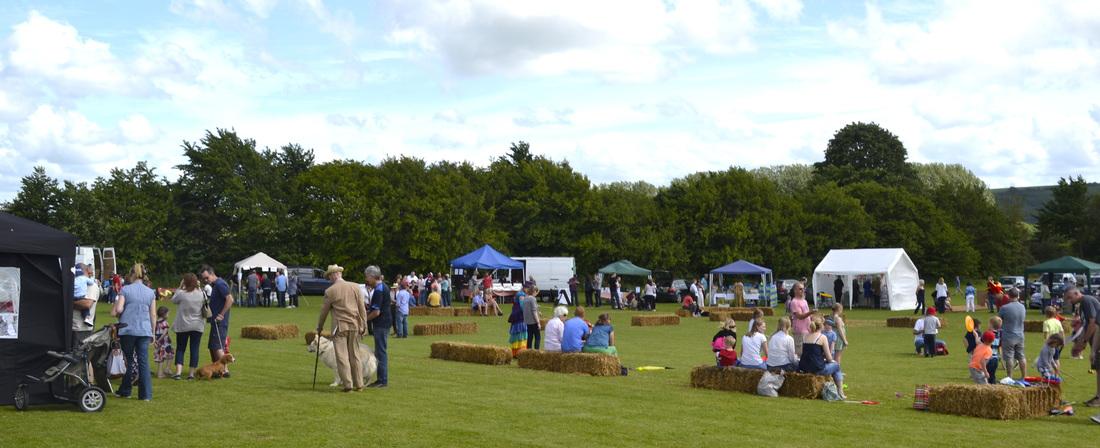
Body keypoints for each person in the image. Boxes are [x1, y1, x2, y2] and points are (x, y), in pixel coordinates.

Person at [315, 264, 368, 392]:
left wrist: (319, 327)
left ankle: (348, 385)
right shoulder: (355, 287)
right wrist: (364, 325)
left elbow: (324, 312)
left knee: (342, 356)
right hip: (355, 325)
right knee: (355, 355)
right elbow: (362, 308)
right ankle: (359, 384)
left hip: (340, 327)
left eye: (329, 277)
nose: (329, 279)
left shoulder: (330, 291)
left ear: (334, 275)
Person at [112, 263, 156, 400]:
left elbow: (118, 310)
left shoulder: (125, 290)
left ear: (132, 275)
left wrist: (121, 312)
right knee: (143, 362)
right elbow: (153, 315)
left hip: (128, 329)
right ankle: (145, 395)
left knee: (128, 360)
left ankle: (126, 390)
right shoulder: (151, 292)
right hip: (144, 330)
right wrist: (153, 332)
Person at [1063, 286, 1099, 408]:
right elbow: (1086, 324)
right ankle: (1098, 396)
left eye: (1070, 297)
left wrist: (1083, 341)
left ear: (1077, 293)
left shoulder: (1087, 300)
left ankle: (1099, 398)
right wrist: (1080, 343)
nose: (1069, 300)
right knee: (1098, 368)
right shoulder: (1082, 304)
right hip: (1094, 340)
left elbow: (1093, 323)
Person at [798, 316, 845, 399]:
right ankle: (840, 391)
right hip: (817, 369)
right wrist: (831, 361)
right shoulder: (822, 337)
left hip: (804, 368)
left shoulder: (805, 336)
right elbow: (829, 358)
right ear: (821, 326)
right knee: (836, 366)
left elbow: (805, 353)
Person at [200, 265, 234, 377]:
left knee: (217, 345)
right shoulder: (215, 285)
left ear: (212, 273)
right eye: (203, 279)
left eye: (206, 277)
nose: (205, 280)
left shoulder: (220, 284)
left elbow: (230, 299)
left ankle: (225, 371)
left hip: (220, 322)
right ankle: (216, 370)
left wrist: (221, 314)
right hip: (215, 322)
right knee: (212, 346)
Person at [171, 273, 205, 380]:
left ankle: (178, 372)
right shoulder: (201, 293)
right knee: (194, 349)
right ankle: (191, 374)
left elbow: (173, 300)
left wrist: (180, 287)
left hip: (183, 325)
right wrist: (198, 287)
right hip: (197, 325)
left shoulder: (182, 293)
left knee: (181, 348)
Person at [364, 265, 390, 388]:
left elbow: (376, 312)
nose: (366, 280)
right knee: (380, 351)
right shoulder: (382, 287)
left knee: (380, 352)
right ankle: (381, 379)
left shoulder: (379, 290)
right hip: (383, 322)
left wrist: (364, 320)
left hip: (381, 323)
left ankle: (382, 380)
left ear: (373, 276)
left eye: (367, 277)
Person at [998, 288, 1027, 379]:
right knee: (1021, 356)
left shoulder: (1004, 308)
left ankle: (1009, 377)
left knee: (1009, 357)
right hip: (1020, 334)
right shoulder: (1022, 307)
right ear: (1018, 296)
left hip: (1008, 335)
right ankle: (1024, 376)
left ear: (1008, 296)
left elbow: (999, 320)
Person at [71, 265, 100, 348]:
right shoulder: (75, 282)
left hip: (81, 329)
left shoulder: (92, 286)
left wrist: (68, 303)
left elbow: (86, 304)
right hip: (73, 327)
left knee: (78, 357)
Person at [788, 282, 813, 356]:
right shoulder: (794, 302)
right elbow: (800, 316)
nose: (803, 290)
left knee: (806, 352)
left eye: (803, 289)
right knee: (800, 352)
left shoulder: (804, 301)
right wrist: (811, 312)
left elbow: (807, 315)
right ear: (795, 290)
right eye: (800, 289)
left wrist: (814, 317)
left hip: (808, 329)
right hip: (800, 330)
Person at [153, 306, 174, 379]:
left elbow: (154, 332)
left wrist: (155, 340)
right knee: (170, 354)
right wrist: (159, 340)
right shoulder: (165, 323)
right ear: (164, 314)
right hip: (164, 342)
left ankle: (163, 371)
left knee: (160, 357)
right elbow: (165, 333)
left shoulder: (155, 322)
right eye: (168, 314)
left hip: (158, 342)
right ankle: (163, 372)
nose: (168, 315)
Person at [519, 282, 541, 350]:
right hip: (533, 321)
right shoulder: (532, 299)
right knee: (537, 337)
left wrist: (537, 310)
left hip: (527, 321)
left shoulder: (525, 298)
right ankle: (536, 351)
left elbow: (527, 309)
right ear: (534, 291)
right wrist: (538, 322)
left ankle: (529, 351)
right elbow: (534, 311)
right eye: (536, 292)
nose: (536, 294)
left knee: (530, 337)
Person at [507, 292, 528, 358]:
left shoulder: (522, 305)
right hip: (517, 324)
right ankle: (516, 353)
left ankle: (521, 352)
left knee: (522, 338)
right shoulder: (516, 306)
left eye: (523, 297)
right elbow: (514, 314)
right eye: (521, 298)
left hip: (522, 324)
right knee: (517, 338)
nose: (522, 299)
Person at [988, 316, 1003, 380]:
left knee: (987, 375)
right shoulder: (999, 334)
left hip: (988, 358)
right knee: (992, 375)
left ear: (991, 324)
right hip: (995, 358)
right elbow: (1000, 345)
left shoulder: (989, 334)